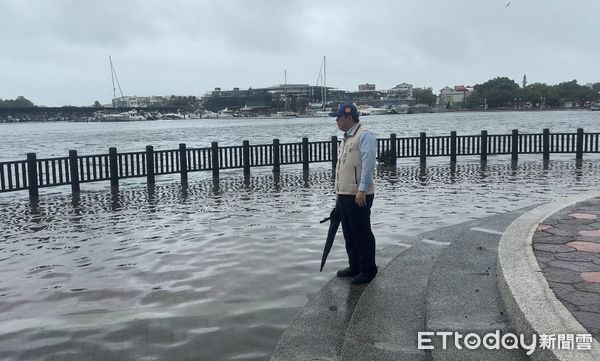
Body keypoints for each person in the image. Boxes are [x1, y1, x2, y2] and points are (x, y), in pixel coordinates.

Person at [329, 103, 378, 285]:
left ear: (349, 117)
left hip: (358, 194)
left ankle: (368, 270)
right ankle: (355, 266)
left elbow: (368, 164)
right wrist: (338, 194)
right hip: (345, 194)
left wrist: (362, 189)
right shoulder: (347, 138)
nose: (336, 121)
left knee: (361, 232)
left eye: (339, 117)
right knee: (349, 234)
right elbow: (343, 167)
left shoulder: (364, 136)